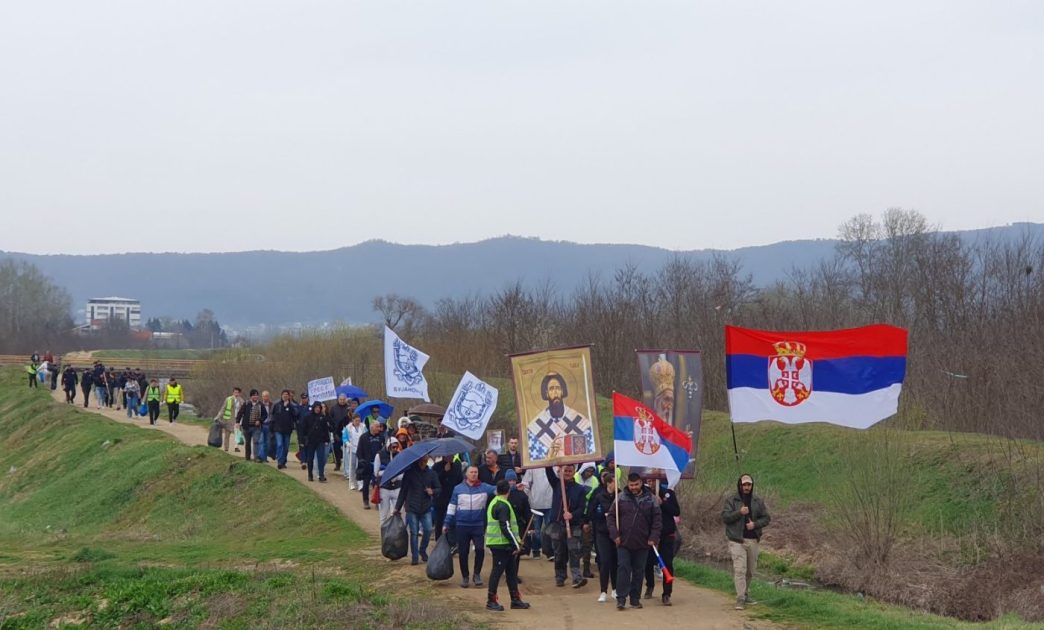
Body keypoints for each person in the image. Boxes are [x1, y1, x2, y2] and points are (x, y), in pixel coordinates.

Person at [607, 472, 662, 610]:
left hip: (643, 542)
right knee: (623, 569)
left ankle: (635, 598)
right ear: (628, 484)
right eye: (631, 485)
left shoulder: (651, 499)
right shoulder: (620, 498)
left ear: (641, 483)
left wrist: (653, 537)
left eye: (636, 484)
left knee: (639, 571)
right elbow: (611, 517)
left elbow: (657, 521)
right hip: (623, 542)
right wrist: (615, 535)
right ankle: (621, 598)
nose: (634, 487)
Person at [722, 473, 771, 610]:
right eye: (744, 484)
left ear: (752, 485)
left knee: (750, 571)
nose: (746, 487)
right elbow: (725, 517)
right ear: (740, 485)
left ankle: (745, 593)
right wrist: (740, 512)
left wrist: (754, 525)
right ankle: (740, 598)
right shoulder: (732, 500)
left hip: (752, 540)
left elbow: (766, 518)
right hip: (736, 540)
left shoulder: (757, 501)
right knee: (740, 570)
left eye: (749, 484)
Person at [444, 465, 496, 588]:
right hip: (462, 525)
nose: (474, 474)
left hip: (478, 525)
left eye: (476, 472)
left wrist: (515, 487)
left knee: (479, 550)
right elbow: (452, 506)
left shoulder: (484, 487)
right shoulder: (458, 489)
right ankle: (465, 576)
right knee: (463, 552)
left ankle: (477, 574)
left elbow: (500, 489)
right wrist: (446, 523)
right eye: (471, 472)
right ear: (466, 474)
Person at [526, 373, 595, 463]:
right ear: (546, 393)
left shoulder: (580, 421)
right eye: (551, 389)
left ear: (562, 391)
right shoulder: (536, 427)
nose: (555, 392)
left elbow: (588, 454)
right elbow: (535, 461)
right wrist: (549, 455)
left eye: (558, 388)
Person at [484, 480, 531, 612]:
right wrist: (516, 544)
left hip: (502, 543)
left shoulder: (496, 501)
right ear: (508, 491)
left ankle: (515, 599)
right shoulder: (503, 505)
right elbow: (505, 527)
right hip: (500, 544)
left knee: (511, 572)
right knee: (497, 573)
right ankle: (491, 600)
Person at [545, 464, 589, 588]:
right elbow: (548, 471)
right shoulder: (557, 484)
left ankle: (576, 577)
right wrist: (551, 462)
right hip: (557, 525)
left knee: (574, 551)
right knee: (559, 552)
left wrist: (572, 515)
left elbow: (581, 508)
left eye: (570, 471)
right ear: (562, 471)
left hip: (573, 525)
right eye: (566, 470)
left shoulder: (580, 489)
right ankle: (560, 576)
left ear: (574, 472)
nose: (568, 473)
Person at [394, 456, 441, 565]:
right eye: (421, 461)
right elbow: (403, 491)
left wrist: (432, 491)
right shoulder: (409, 473)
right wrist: (397, 507)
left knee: (428, 530)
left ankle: (422, 550)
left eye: (425, 461)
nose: (423, 463)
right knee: (414, 532)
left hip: (426, 506)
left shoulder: (431, 473)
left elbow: (439, 488)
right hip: (412, 507)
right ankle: (415, 556)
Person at [643, 479, 681, 605]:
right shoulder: (644, 495)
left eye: (654, 480)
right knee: (648, 562)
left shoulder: (668, 493)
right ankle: (650, 585)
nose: (652, 483)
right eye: (649, 480)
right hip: (650, 535)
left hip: (667, 534)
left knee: (667, 563)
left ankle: (667, 594)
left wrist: (662, 503)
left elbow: (676, 511)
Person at [588, 470, 619, 603]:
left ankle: (615, 590)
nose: (616, 483)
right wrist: (603, 515)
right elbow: (591, 513)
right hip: (602, 532)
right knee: (605, 561)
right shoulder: (599, 496)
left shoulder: (621, 495)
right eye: (614, 481)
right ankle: (603, 591)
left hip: (617, 533)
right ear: (608, 483)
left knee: (615, 562)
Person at [503, 470, 531, 582]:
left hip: (518, 526)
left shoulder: (522, 495)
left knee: (516, 551)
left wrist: (531, 526)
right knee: (505, 551)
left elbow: (527, 511)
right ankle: (505, 571)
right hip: (505, 526)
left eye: (513, 480)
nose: (511, 482)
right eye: (509, 480)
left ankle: (513, 574)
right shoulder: (502, 494)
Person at [521, 466, 553, 559]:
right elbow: (525, 484)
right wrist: (527, 498)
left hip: (550, 503)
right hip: (535, 504)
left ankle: (549, 551)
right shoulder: (532, 467)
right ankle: (536, 550)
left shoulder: (553, 467)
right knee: (535, 529)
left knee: (549, 530)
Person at [355, 420, 385, 510]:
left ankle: (376, 501)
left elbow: (383, 450)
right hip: (367, 464)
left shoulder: (381, 437)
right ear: (372, 427)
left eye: (379, 427)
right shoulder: (364, 437)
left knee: (377, 484)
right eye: (377, 427)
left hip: (378, 464)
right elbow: (359, 451)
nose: (379, 429)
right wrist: (361, 460)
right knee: (366, 483)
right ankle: (365, 501)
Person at [434, 455, 464, 543]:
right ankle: (439, 541)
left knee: (452, 522)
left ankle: (452, 543)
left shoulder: (457, 466)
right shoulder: (437, 466)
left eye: (452, 455)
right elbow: (435, 481)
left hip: (453, 498)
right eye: (449, 456)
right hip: (440, 498)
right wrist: (444, 471)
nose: (451, 457)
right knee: (439, 522)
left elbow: (460, 481)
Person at [300, 401, 332, 481]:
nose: (317, 409)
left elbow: (325, 430)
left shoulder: (322, 417)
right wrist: (302, 441)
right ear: (313, 407)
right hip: (311, 441)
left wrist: (327, 440)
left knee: (320, 458)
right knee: (310, 458)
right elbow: (303, 430)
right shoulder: (307, 416)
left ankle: (321, 475)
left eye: (319, 408)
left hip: (320, 441)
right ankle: (310, 474)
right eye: (316, 407)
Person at [374, 438, 402, 522]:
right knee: (383, 514)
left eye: (396, 447)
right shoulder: (379, 455)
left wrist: (397, 476)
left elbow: (402, 471)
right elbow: (376, 473)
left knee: (397, 512)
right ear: (388, 446)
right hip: (384, 488)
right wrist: (387, 472)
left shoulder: (399, 455)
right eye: (393, 447)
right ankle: (384, 533)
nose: (394, 449)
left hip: (396, 487)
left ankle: (396, 533)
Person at [236, 390, 266, 462]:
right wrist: (237, 422)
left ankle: (256, 458)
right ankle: (247, 458)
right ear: (251, 396)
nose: (255, 396)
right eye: (254, 395)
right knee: (248, 443)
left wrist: (260, 420)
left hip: (256, 428)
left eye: (256, 395)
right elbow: (240, 413)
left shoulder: (261, 405)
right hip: (246, 427)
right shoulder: (246, 404)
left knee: (256, 441)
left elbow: (265, 415)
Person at [270, 390, 297, 467]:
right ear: (281, 395)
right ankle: (279, 462)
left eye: (286, 394)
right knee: (279, 445)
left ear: (289, 396)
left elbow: (295, 415)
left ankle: (283, 461)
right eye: (283, 394)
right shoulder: (277, 404)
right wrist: (271, 427)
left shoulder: (292, 405)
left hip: (288, 430)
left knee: (286, 447)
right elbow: (272, 416)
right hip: (278, 429)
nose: (285, 396)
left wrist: (289, 406)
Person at [214, 387, 244, 453]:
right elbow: (223, 409)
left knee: (237, 434)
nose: (236, 394)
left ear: (239, 393)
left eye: (237, 392)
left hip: (237, 420)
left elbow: (244, 411)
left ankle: (236, 447)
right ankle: (226, 448)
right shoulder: (228, 399)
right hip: (229, 420)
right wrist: (218, 417)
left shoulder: (242, 401)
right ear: (233, 392)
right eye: (235, 392)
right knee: (227, 434)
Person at [328, 394, 351, 472]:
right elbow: (330, 419)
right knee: (336, 448)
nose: (342, 401)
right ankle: (338, 463)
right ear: (338, 399)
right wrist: (333, 430)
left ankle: (347, 465)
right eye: (340, 399)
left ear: (345, 400)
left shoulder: (348, 408)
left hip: (347, 431)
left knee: (347, 448)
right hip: (336, 431)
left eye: (343, 399)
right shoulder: (333, 408)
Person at [344, 413, 366, 490]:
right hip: (352, 449)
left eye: (359, 421)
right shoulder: (348, 428)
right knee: (352, 466)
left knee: (360, 466)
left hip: (360, 450)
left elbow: (365, 436)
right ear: (353, 420)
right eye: (356, 420)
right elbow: (345, 437)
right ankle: (352, 482)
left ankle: (360, 483)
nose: (358, 422)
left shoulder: (363, 427)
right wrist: (347, 443)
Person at [256, 390, 274, 463]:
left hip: (269, 425)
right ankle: (260, 457)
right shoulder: (259, 404)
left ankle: (265, 457)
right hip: (261, 424)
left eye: (266, 396)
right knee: (261, 441)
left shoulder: (272, 405)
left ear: (268, 397)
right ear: (262, 397)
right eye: (264, 396)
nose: (265, 397)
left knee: (267, 442)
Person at [295, 392, 311, 469]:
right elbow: (295, 415)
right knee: (302, 445)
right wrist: (300, 406)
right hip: (300, 429)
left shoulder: (310, 407)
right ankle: (303, 461)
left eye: (305, 398)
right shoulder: (298, 407)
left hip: (309, 429)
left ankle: (307, 460)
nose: (304, 400)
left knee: (308, 444)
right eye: (303, 398)